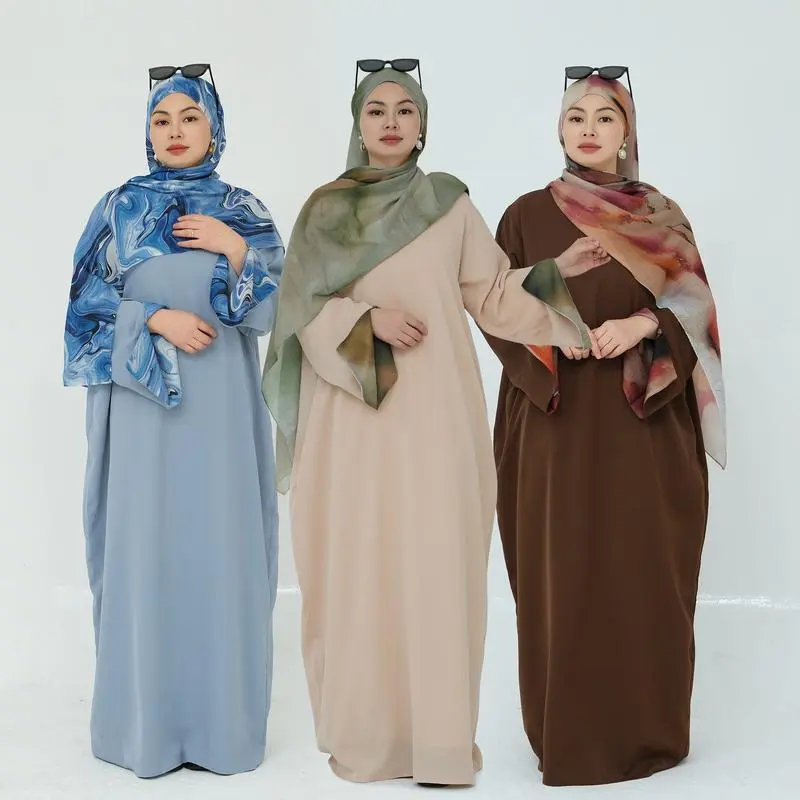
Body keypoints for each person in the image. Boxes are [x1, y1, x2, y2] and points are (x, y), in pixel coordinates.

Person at [262, 61, 595, 786]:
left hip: (437, 420)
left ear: (422, 126)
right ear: (358, 124)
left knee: (437, 566)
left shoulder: (450, 206)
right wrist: (366, 321)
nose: (390, 122)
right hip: (354, 422)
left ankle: (439, 747)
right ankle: (370, 741)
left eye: (404, 110)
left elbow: (495, 296)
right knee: (362, 568)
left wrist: (558, 274)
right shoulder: (325, 211)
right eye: (376, 110)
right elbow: (296, 316)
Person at [483, 68, 725, 786]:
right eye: (576, 117)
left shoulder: (660, 216)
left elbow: (696, 307)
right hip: (553, 424)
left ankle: (647, 731)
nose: (588, 129)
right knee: (560, 575)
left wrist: (643, 324)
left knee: (642, 570)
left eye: (605, 117)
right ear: (559, 129)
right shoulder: (526, 215)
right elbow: (494, 305)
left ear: (627, 133)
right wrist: (558, 320)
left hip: (641, 426)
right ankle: (568, 734)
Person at [63, 65, 284, 778]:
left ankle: (222, 729)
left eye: (191, 117)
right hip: (142, 417)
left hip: (220, 415)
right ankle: (145, 729)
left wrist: (234, 247)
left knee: (221, 549)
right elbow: (82, 315)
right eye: (163, 120)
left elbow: (276, 313)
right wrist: (154, 319)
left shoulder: (241, 209)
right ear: (148, 131)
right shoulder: (118, 209)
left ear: (214, 128)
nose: (176, 131)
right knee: (146, 550)